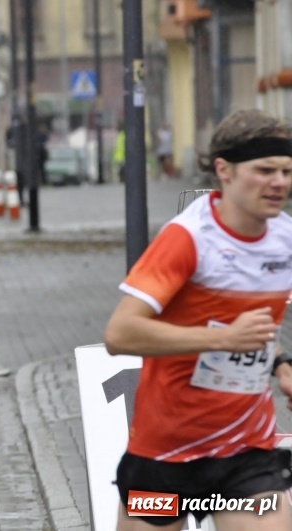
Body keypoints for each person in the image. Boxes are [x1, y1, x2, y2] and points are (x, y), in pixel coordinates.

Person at [104, 108, 292, 530]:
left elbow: (251, 327)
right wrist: (224, 340)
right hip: (163, 455)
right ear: (224, 170)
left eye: (286, 170)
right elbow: (120, 333)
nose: (279, 182)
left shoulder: (285, 239)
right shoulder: (187, 238)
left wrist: (282, 364)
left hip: (245, 455)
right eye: (264, 170)